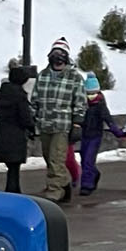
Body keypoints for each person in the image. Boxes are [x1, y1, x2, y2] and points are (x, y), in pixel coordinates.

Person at [30, 42, 84, 203]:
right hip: (45, 123)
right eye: (55, 54)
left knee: (56, 159)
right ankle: (65, 183)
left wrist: (77, 124)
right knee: (49, 158)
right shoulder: (43, 75)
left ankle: (54, 193)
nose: (57, 58)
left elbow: (80, 102)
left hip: (62, 124)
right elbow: (35, 99)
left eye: (60, 54)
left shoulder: (74, 77)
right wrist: (32, 118)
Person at [0, 59, 36, 193]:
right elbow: (25, 117)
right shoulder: (20, 96)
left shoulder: (2, 95)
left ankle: (12, 189)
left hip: (3, 132)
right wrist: (31, 127)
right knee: (15, 167)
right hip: (16, 134)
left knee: (11, 167)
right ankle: (14, 190)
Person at [75, 74, 126, 195]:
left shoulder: (100, 105)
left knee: (88, 160)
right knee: (84, 160)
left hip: (95, 136)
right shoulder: (82, 103)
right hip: (85, 135)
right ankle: (94, 174)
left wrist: (118, 132)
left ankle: (86, 185)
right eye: (88, 94)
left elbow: (108, 120)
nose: (91, 97)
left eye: (93, 94)